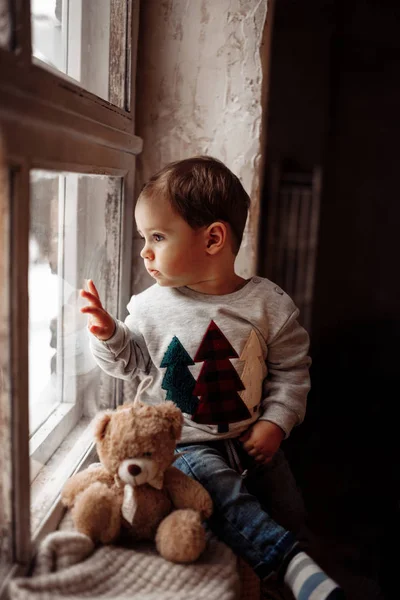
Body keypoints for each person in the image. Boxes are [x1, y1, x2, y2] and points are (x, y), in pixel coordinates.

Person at [80, 156, 344, 600]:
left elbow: (292, 370)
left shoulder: (268, 305)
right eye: (145, 237)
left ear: (214, 239)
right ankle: (289, 565)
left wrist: (275, 423)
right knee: (225, 498)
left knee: (290, 508)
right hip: (186, 446)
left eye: (158, 237)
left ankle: (298, 564)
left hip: (253, 441)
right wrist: (108, 334)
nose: (145, 251)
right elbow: (131, 364)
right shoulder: (150, 307)